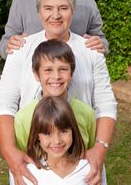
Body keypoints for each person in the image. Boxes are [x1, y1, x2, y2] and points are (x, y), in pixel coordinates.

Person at [0, 0, 117, 185]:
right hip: (32, 160)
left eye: (63, 8)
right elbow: (3, 104)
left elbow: (106, 106)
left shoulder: (91, 50)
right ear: (39, 12)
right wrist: (9, 150)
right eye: (48, 8)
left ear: (72, 11)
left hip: (81, 158)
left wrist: (100, 148)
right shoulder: (21, 49)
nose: (56, 15)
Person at [13, 39, 107, 185]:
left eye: (63, 69)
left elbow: (91, 157)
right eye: (48, 70)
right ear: (36, 74)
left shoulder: (86, 113)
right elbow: (22, 162)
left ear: (72, 73)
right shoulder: (23, 118)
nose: (56, 76)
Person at [10, 96, 91, 185]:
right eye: (47, 133)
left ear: (73, 130)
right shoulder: (28, 173)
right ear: (37, 136)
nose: (57, 141)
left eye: (63, 131)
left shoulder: (90, 169)